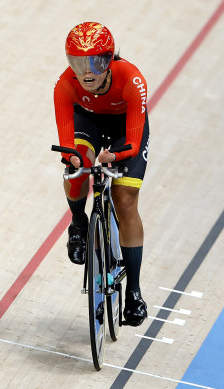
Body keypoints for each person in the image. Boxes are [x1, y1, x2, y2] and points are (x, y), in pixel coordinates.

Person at [53, 22, 150, 326]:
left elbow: (133, 142)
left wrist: (115, 156)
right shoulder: (65, 85)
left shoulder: (132, 80)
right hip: (88, 122)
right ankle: (79, 223)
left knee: (125, 199)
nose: (87, 71)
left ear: (108, 61)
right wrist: (74, 159)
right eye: (79, 62)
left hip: (125, 130)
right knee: (78, 167)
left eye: (94, 61)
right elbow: (68, 144)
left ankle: (134, 292)